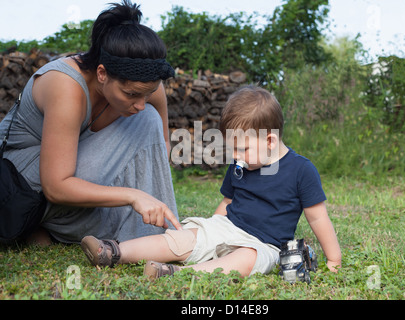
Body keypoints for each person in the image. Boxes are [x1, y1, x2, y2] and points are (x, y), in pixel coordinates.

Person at [81, 85, 341, 279]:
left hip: (264, 244)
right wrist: (208, 234)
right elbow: (227, 202)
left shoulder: (302, 171)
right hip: (228, 227)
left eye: (242, 149)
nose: (236, 156)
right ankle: (113, 251)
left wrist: (334, 259)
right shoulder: (241, 164)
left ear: (270, 141)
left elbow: (318, 218)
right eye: (233, 149)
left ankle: (176, 273)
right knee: (182, 238)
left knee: (246, 259)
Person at [0, 0, 182, 245]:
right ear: (102, 73)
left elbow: (160, 145)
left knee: (147, 118)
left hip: (65, 179)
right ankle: (47, 228)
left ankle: (150, 231)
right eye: (130, 95)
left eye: (147, 93)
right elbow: (55, 186)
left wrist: (150, 182)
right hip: (23, 184)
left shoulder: (144, 84)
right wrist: (133, 195)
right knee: (145, 119)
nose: (140, 102)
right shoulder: (67, 87)